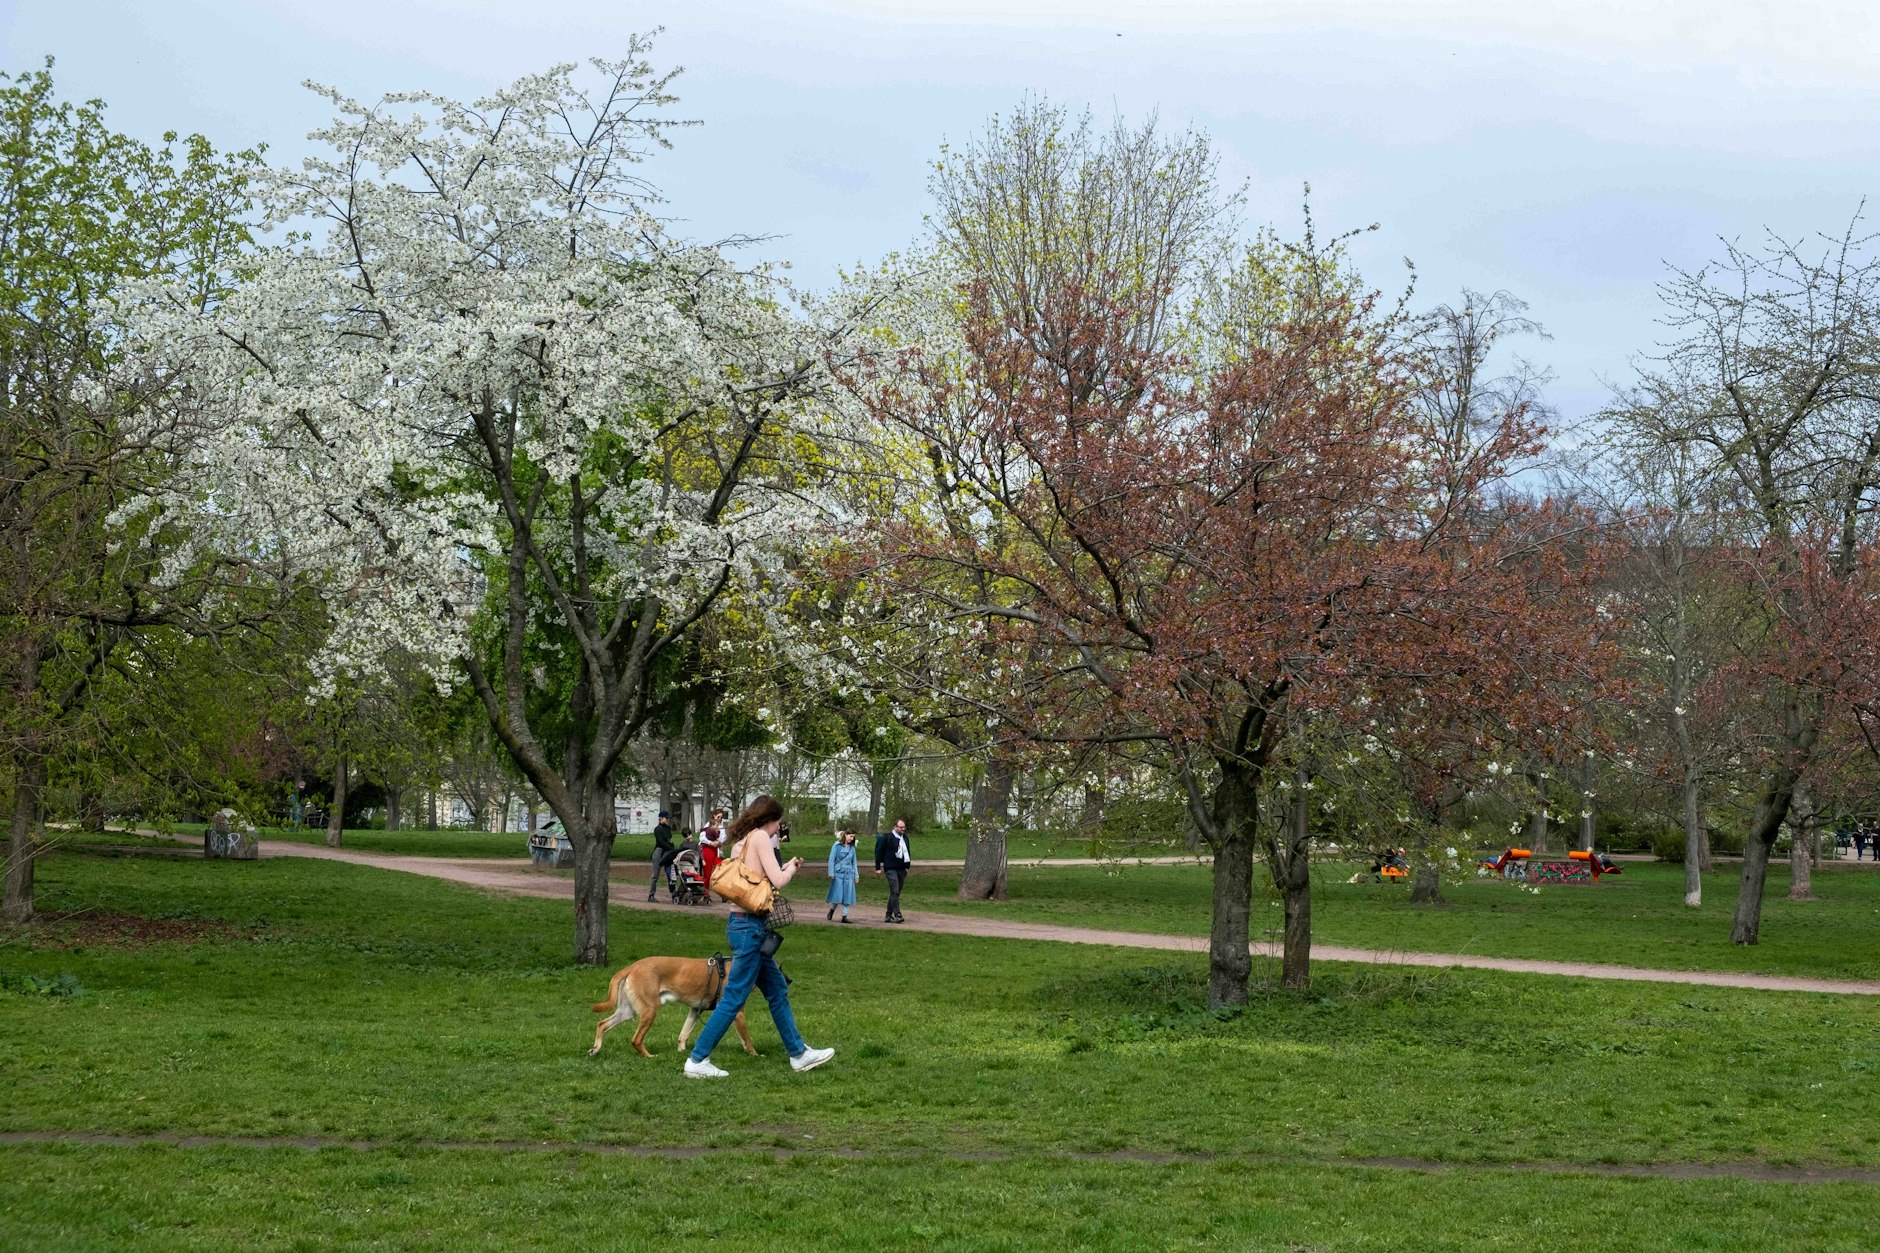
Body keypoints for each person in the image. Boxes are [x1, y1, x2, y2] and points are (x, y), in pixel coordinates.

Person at [684, 795, 835, 1079]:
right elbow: (777, 880)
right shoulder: (762, 838)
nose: (779, 827)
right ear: (770, 819)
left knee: (777, 989)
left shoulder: (740, 842)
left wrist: (783, 868)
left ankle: (799, 1054)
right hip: (750, 929)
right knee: (734, 997)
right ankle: (697, 1059)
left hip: (739, 924)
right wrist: (792, 867)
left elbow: (754, 879)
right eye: (778, 822)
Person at [873, 818, 912, 923]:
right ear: (895, 827)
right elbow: (879, 852)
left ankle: (888, 915)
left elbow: (907, 851)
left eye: (904, 827)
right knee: (895, 890)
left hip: (902, 869)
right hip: (890, 868)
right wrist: (878, 867)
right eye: (900, 827)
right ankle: (897, 914)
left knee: (896, 892)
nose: (902, 829)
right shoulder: (887, 837)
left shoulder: (905, 838)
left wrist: (907, 866)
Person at [826, 829, 859, 923]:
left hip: (849, 874)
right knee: (838, 895)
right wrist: (831, 873)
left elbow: (854, 863)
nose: (852, 838)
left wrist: (856, 876)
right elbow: (831, 860)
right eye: (850, 836)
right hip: (838, 874)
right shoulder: (836, 846)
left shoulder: (852, 848)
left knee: (847, 895)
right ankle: (832, 910)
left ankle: (844, 916)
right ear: (845, 835)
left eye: (853, 837)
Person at [647, 810, 677, 902]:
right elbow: (661, 842)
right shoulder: (657, 829)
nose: (667, 819)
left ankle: (673, 893)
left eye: (668, 818)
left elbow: (669, 840)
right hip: (659, 852)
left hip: (667, 852)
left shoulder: (668, 828)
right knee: (655, 875)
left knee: (670, 873)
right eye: (666, 818)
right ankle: (651, 895)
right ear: (660, 818)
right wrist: (670, 848)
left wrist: (672, 847)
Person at [699, 808, 728, 901]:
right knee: (707, 874)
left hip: (716, 851)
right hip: (708, 850)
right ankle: (706, 894)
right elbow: (702, 838)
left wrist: (719, 842)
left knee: (721, 870)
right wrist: (711, 843)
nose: (719, 819)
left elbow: (723, 838)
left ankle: (723, 893)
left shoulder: (721, 827)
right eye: (718, 817)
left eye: (721, 817)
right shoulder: (708, 825)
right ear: (714, 816)